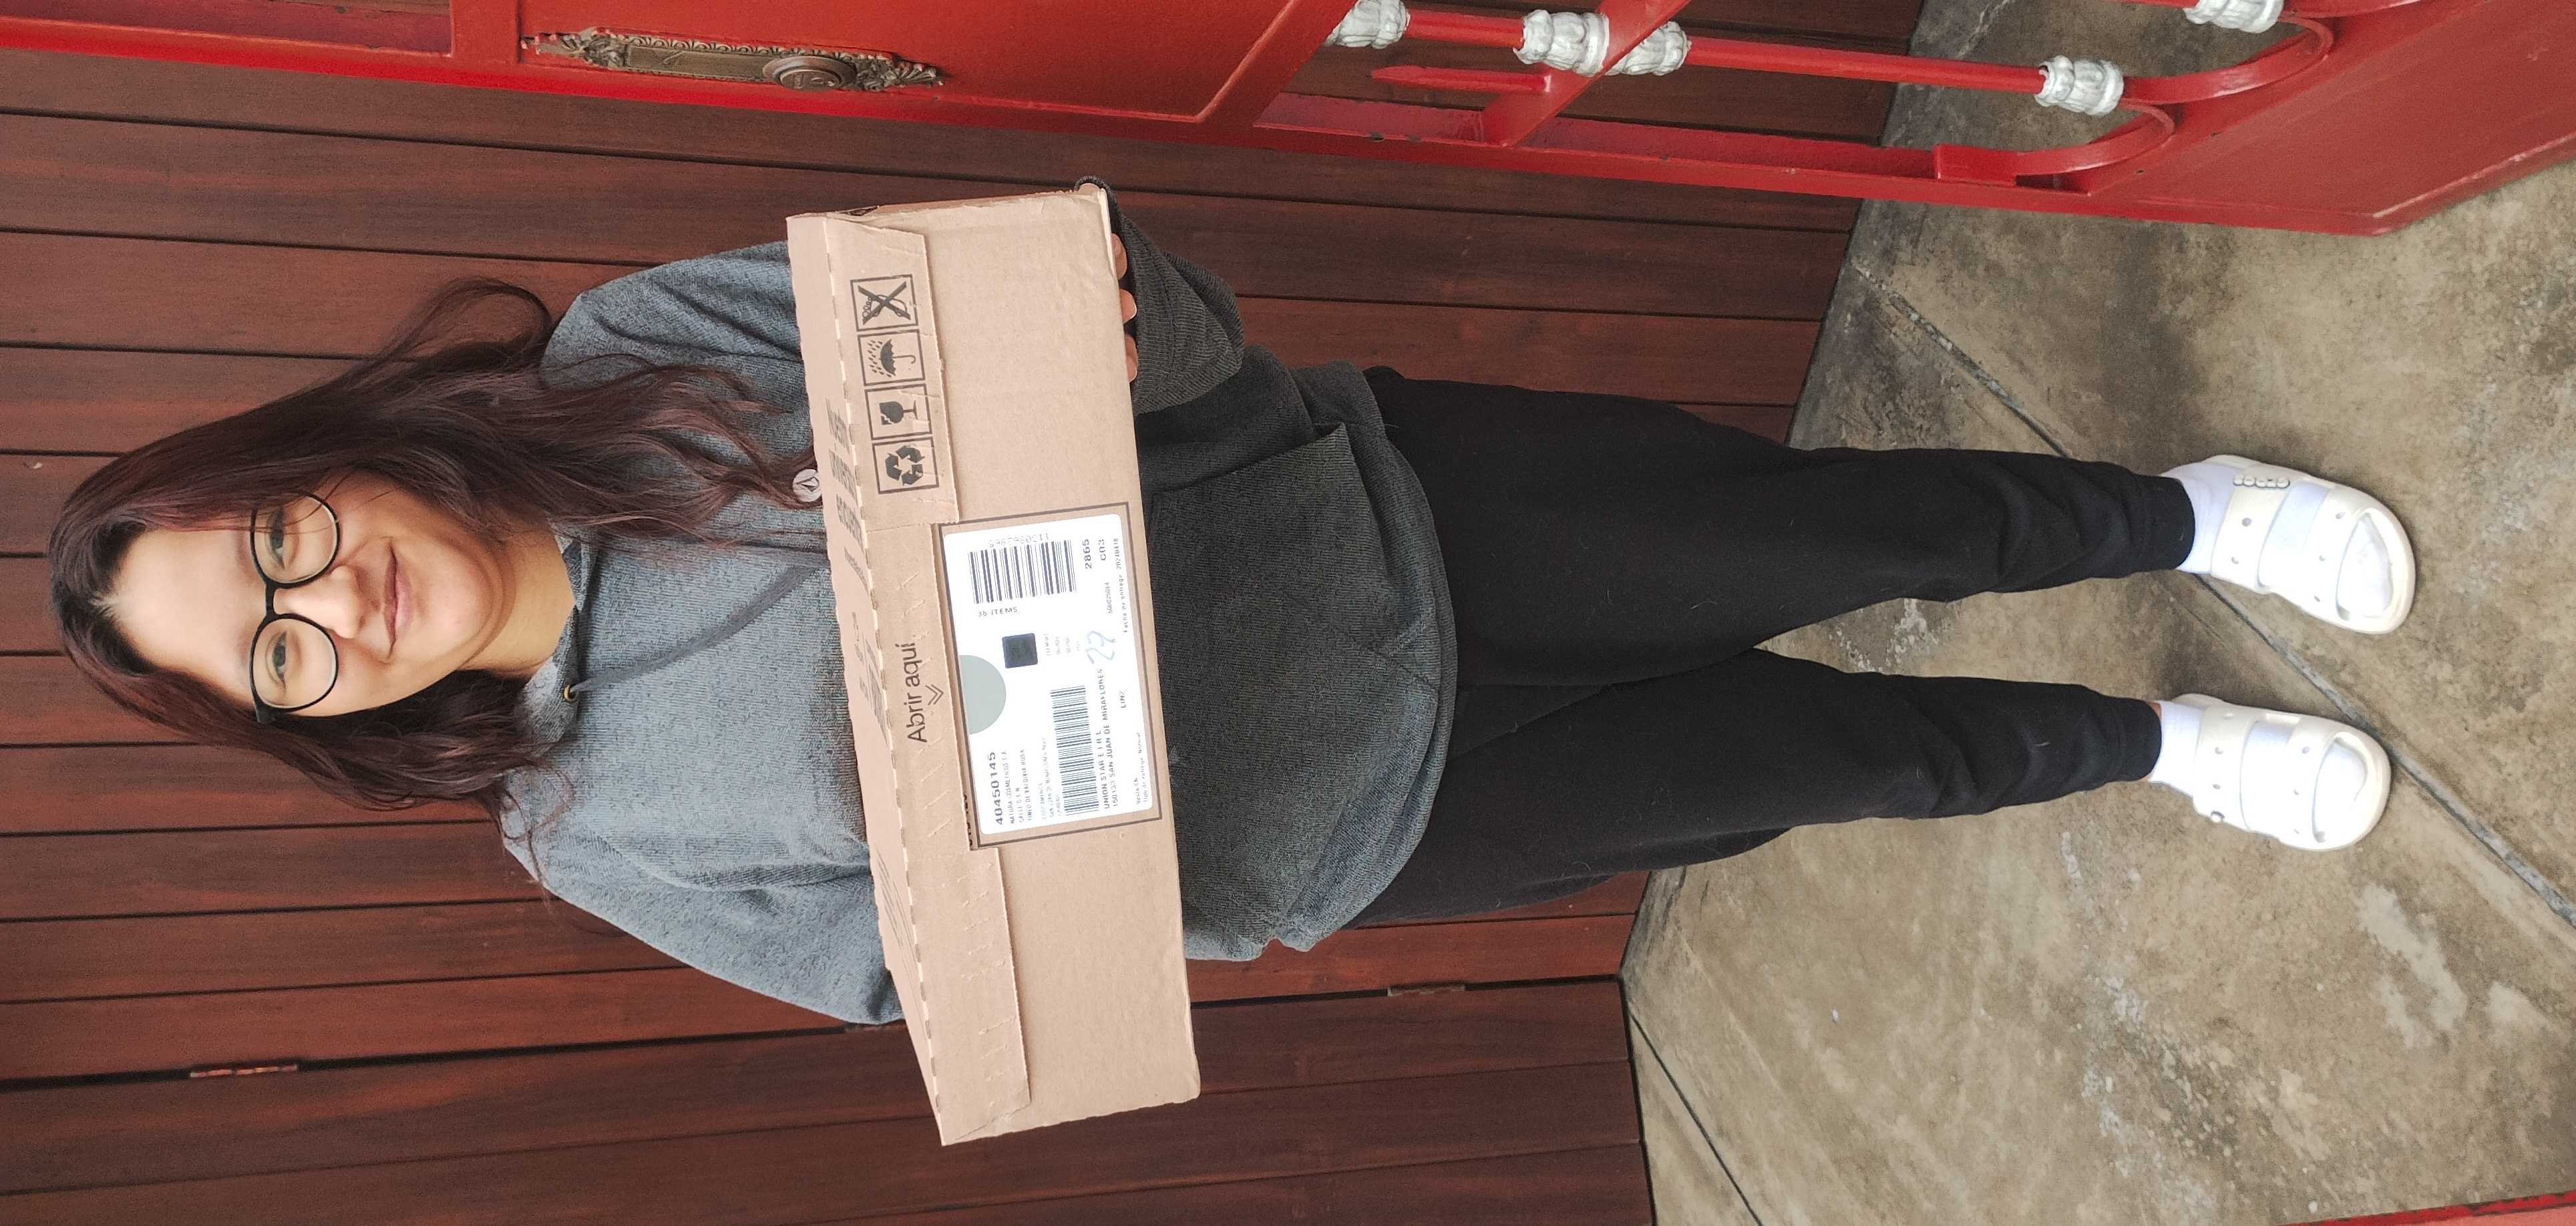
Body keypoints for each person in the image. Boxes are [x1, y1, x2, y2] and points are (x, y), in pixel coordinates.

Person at [48, 182, 2415, 1026]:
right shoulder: (586, 830)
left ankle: (2177, 518)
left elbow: (1106, 315)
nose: (327, 599)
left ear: (310, 457)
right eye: (276, 651)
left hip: (1397, 515)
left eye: (274, 538)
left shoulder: (623, 361)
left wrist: (1108, 316)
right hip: (1359, 819)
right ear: (305, 715)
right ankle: (2160, 744)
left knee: (1855, 532)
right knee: (1844, 762)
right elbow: (911, 981)